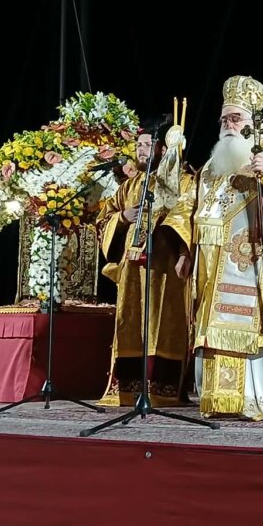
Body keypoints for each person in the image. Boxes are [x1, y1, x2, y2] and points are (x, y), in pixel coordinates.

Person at [164, 75, 263, 420]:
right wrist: (185, 251)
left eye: (235, 118)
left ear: (252, 122)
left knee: (245, 330)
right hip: (209, 268)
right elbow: (190, 205)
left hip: (249, 265)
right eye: (224, 119)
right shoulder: (212, 165)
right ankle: (218, 399)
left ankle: (256, 398)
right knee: (212, 330)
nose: (228, 125)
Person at [95, 125, 194, 407]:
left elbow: (190, 216)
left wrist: (185, 252)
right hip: (131, 272)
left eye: (148, 145)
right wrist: (122, 218)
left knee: (166, 321)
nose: (141, 150)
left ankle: (162, 390)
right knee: (131, 321)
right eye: (138, 145)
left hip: (166, 268)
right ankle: (129, 390)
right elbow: (104, 219)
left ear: (163, 149)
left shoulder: (183, 181)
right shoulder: (129, 186)